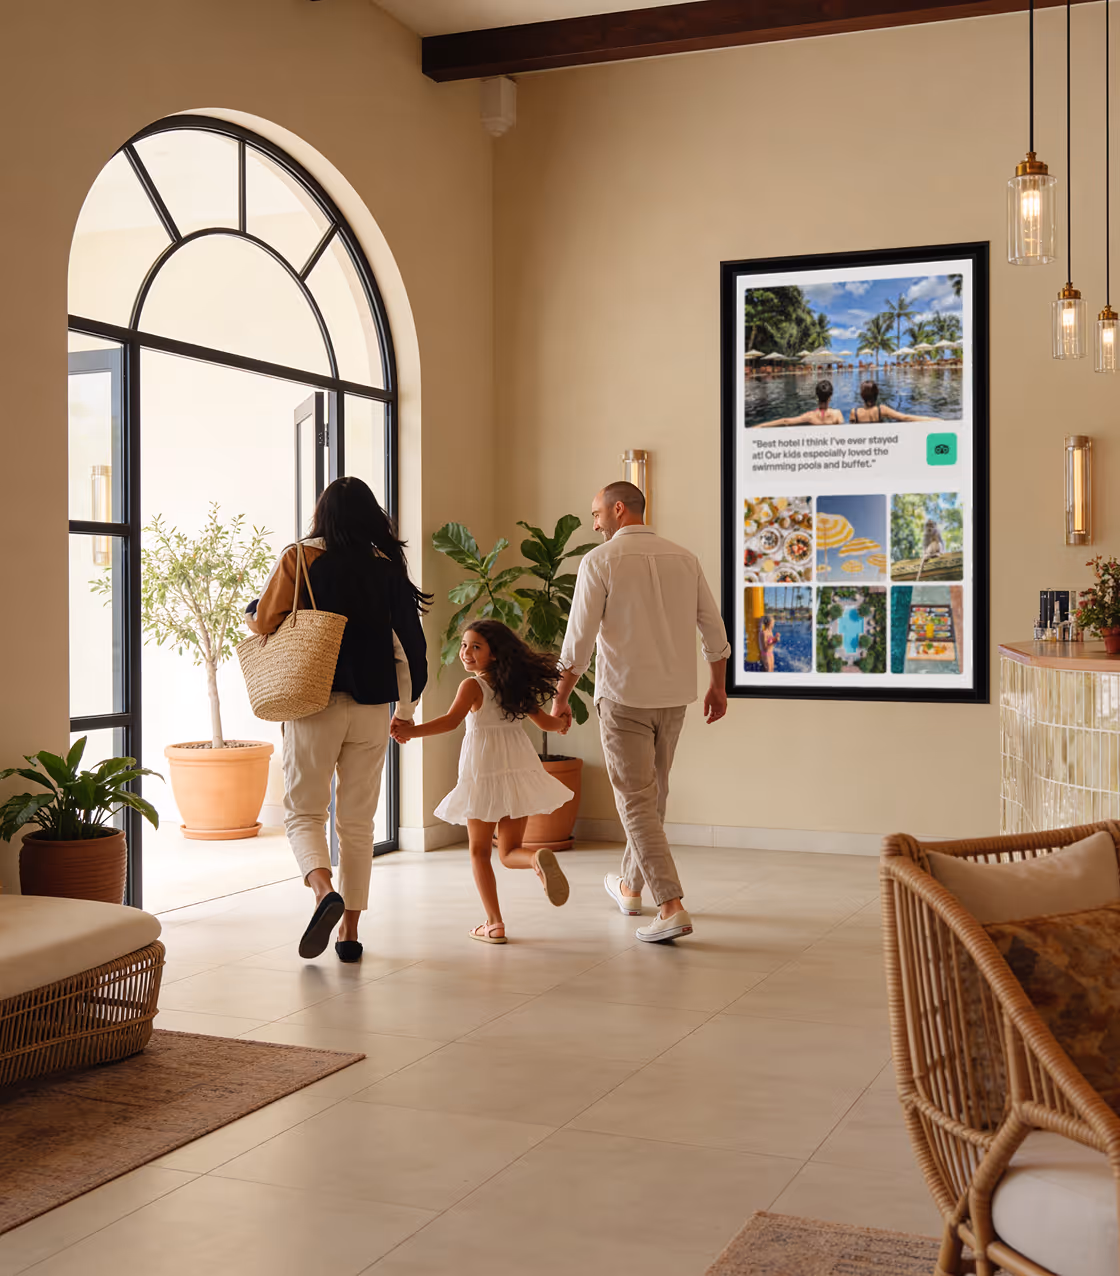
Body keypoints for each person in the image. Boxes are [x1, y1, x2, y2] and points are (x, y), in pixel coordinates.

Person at [245, 477, 428, 964]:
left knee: (305, 811)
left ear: (322, 515)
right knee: (358, 822)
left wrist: (253, 610)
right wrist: (405, 712)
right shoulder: (386, 568)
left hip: (312, 703)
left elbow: (264, 621)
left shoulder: (300, 558)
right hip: (372, 707)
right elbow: (410, 649)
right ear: (371, 517)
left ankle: (324, 890)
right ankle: (349, 933)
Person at [553, 481, 730, 943]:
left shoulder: (600, 561)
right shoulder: (684, 558)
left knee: (635, 799)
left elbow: (578, 643)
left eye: (596, 514)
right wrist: (718, 686)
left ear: (617, 509)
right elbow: (712, 627)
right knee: (652, 796)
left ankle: (670, 904)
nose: (594, 524)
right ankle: (631, 887)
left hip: (624, 697)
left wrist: (560, 696)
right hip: (674, 698)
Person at [390, 620, 574, 944]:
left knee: (479, 852)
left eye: (476, 646)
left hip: (484, 773)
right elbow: (546, 722)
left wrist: (411, 730)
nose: (466, 652)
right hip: (518, 770)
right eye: (464, 645)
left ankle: (494, 923)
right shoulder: (513, 687)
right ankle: (535, 858)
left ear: (494, 653)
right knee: (510, 851)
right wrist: (561, 723)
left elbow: (450, 722)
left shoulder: (472, 687)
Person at [754, 379, 845, 428]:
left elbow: (786, 421)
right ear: (830, 396)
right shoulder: (837, 414)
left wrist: (761, 425)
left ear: (816, 396)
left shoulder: (810, 416)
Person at [849, 380, 934, 423]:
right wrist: (932, 419)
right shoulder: (881, 410)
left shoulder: (854, 413)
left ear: (862, 395)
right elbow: (905, 417)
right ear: (877, 394)